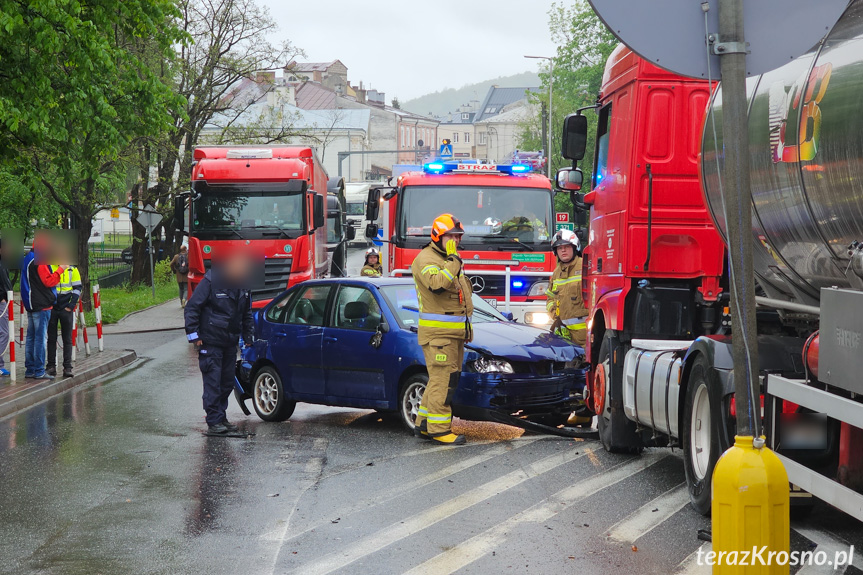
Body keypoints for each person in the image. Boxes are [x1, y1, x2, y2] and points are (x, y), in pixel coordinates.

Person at [410, 213, 473, 445]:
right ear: (437, 235)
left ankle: (424, 424)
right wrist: (453, 259)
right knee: (442, 380)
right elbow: (437, 285)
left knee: (443, 378)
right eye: (451, 236)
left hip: (452, 335)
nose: (455, 241)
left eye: (457, 237)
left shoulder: (446, 259)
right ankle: (439, 429)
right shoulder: (427, 259)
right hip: (439, 336)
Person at [184, 251, 254, 435]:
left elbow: (246, 314)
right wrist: (194, 336)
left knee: (226, 381)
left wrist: (248, 338)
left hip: (230, 341)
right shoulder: (211, 280)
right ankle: (214, 421)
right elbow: (192, 307)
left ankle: (221, 417)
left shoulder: (244, 285)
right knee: (213, 382)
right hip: (211, 340)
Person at [546, 229, 592, 427]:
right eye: (559, 248)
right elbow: (550, 297)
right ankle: (571, 411)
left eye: (566, 247)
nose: (563, 251)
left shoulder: (584, 267)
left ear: (575, 248)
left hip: (584, 334)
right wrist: (552, 311)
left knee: (583, 373)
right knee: (566, 374)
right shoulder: (556, 272)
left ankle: (584, 413)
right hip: (563, 333)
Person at [20, 243, 65, 380]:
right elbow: (48, 281)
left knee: (31, 338)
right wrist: (60, 270)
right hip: (42, 304)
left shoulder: (28, 257)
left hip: (31, 303)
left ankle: (30, 369)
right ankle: (39, 370)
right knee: (40, 338)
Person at [46, 263, 81, 378]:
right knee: (51, 338)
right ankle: (51, 366)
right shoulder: (50, 266)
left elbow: (77, 288)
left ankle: (67, 367)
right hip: (52, 307)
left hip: (66, 307)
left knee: (67, 339)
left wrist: (71, 306)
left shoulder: (72, 269)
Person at [0, 241, 12, 378]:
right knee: (4, 333)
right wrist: (3, 298)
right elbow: (4, 283)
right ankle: (0, 366)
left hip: (4, 300)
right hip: (1, 302)